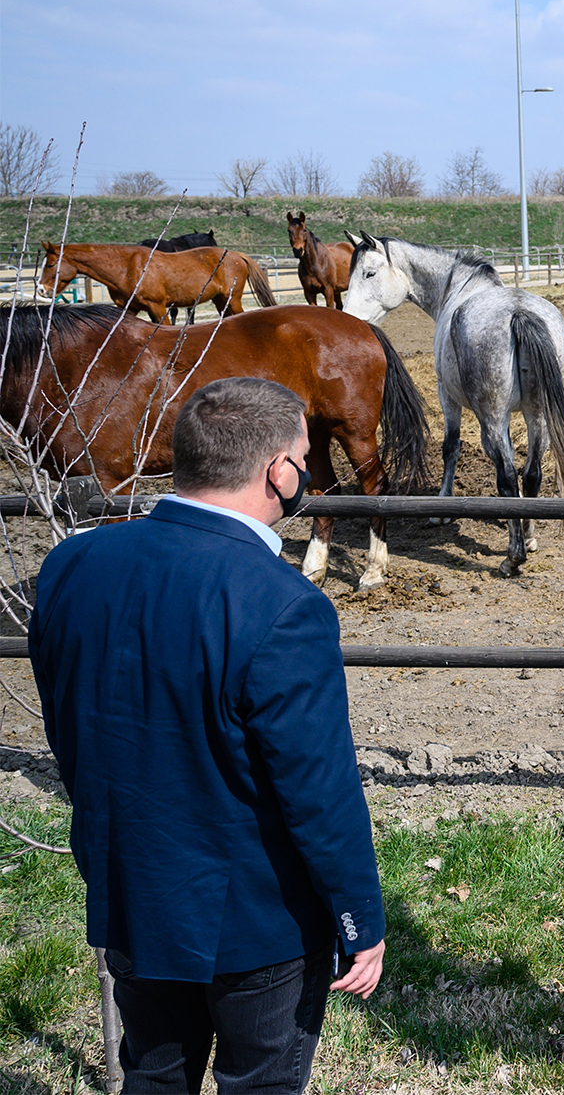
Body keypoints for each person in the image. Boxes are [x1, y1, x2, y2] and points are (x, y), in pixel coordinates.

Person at [30, 377, 385, 1094]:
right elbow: (317, 791)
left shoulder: (71, 565)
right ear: (278, 472)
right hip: (258, 917)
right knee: (261, 1080)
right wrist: (360, 914)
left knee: (153, 1072)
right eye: (304, 458)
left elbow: (69, 722)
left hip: (130, 885)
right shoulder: (286, 604)